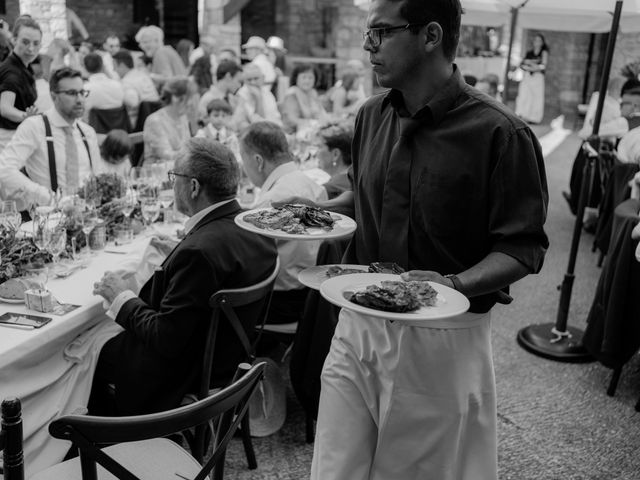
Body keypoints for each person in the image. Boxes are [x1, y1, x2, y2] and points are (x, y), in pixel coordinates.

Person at [300, 1, 549, 478]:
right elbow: (366, 193)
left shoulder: (501, 132)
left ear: (431, 35)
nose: (367, 45)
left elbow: (523, 247)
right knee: (334, 467)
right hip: (357, 321)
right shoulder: (371, 114)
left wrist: (451, 286)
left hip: (442, 338)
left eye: (381, 33)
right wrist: (310, 215)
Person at [89, 137, 278, 415]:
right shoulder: (257, 227)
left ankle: (106, 434)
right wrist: (178, 253)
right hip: (231, 354)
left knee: (88, 348)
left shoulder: (199, 253)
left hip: (188, 369)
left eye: (173, 176)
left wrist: (121, 298)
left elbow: (166, 339)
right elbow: (218, 259)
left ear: (193, 187)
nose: (170, 184)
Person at [239, 122, 327, 326]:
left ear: (258, 161)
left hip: (279, 305)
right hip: (312, 297)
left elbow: (249, 264)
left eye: (243, 160)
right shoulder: (313, 186)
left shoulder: (271, 201)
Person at [0, 67, 101, 211]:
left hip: (87, 217)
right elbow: (4, 169)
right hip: (49, 219)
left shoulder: (87, 132)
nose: (80, 100)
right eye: (72, 93)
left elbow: (97, 176)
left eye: (82, 93)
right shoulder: (35, 126)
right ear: (54, 96)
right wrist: (45, 197)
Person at [0, 16, 42, 149]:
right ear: (14, 40)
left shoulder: (23, 65)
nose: (31, 49)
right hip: (8, 140)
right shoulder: (12, 73)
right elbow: (5, 108)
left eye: (36, 43)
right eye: (25, 42)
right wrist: (25, 116)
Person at [143, 76, 193, 163]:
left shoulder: (182, 117)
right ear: (175, 99)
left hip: (180, 169)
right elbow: (166, 155)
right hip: (157, 172)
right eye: (189, 98)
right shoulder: (155, 121)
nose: (191, 103)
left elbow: (187, 146)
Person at [112, 48, 161, 128]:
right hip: (156, 122)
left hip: (138, 126)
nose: (113, 70)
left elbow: (133, 102)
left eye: (114, 66)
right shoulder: (144, 76)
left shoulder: (127, 82)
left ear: (122, 65)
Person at [281, 63, 327, 133]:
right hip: (293, 134)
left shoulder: (313, 93)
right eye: (304, 77)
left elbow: (321, 113)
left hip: (313, 132)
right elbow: (292, 120)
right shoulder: (292, 94)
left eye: (310, 78)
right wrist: (313, 123)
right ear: (296, 78)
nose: (307, 81)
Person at [515, 33, 549, 124]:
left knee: (536, 97)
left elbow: (543, 66)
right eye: (535, 40)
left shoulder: (544, 52)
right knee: (524, 95)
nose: (537, 42)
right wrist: (530, 65)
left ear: (542, 42)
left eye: (539, 40)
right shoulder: (529, 53)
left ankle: (534, 118)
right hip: (527, 76)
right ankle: (522, 114)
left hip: (537, 77)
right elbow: (522, 64)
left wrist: (533, 66)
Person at [315, 122, 353, 199]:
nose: (316, 153)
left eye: (319, 147)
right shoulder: (356, 177)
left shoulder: (330, 188)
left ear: (335, 154)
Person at [83, 52, 125, 118]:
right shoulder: (118, 85)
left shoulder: (86, 89)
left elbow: (83, 112)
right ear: (103, 66)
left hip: (94, 127)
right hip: (120, 126)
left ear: (85, 68)